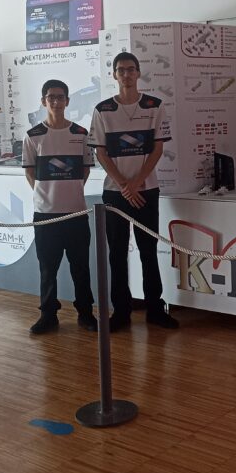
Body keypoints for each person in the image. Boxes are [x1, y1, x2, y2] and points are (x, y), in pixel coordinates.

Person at [88, 52, 178, 331]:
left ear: (138, 73)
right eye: (120, 70)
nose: (126, 74)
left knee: (148, 250)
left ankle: (155, 309)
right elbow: (100, 153)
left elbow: (157, 149)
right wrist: (124, 186)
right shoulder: (103, 109)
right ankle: (121, 312)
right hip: (115, 194)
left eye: (130, 69)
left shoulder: (154, 106)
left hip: (146, 190)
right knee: (116, 254)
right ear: (114, 75)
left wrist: (136, 182)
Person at [22, 79, 97, 334]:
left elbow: (85, 170)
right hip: (45, 215)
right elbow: (29, 172)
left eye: (60, 97)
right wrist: (46, 195)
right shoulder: (33, 136)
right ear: (43, 101)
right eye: (51, 97)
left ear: (68, 101)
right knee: (47, 268)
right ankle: (48, 314)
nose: (56, 101)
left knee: (81, 267)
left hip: (76, 212)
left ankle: (86, 313)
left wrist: (70, 190)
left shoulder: (80, 133)